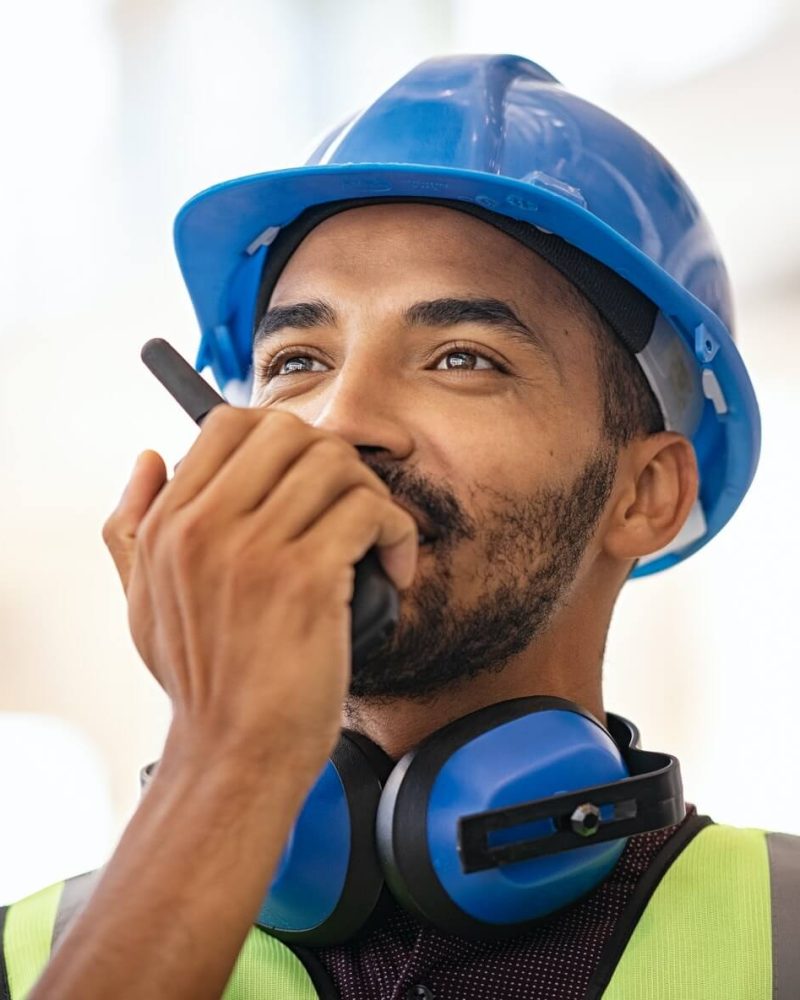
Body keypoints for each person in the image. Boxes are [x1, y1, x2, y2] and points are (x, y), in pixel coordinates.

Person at [1, 54, 797, 1000]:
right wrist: (223, 763)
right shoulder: (28, 957)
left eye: (462, 357)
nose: (341, 420)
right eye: (297, 360)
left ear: (647, 495)